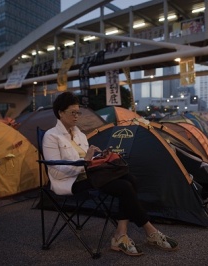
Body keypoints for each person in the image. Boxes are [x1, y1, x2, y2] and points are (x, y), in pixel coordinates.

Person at [42, 92, 178, 256]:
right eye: (73, 112)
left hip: (91, 175)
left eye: (78, 112)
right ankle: (149, 231)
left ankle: (121, 235)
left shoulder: (80, 134)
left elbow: (89, 161)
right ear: (60, 113)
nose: (77, 116)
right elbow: (56, 171)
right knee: (125, 186)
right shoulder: (51, 136)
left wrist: (99, 157)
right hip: (71, 182)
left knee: (131, 179)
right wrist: (85, 161)